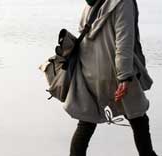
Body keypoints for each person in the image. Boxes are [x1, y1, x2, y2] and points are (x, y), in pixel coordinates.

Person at [63, 0, 159, 155]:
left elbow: (83, 30)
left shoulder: (91, 2)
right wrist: (124, 77)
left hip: (90, 71)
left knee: (86, 122)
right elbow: (124, 42)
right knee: (138, 118)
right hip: (115, 71)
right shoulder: (123, 2)